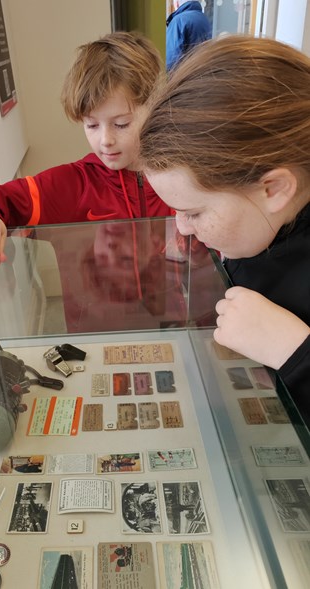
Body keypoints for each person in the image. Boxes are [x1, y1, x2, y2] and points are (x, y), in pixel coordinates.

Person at [139, 34, 310, 423]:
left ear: (274, 189)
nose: (182, 227)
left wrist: (292, 350)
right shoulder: (262, 226)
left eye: (194, 212)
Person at [0, 32, 172, 267]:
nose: (105, 140)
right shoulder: (75, 184)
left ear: (154, 109)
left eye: (121, 124)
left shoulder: (176, 176)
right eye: (91, 125)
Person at [166, 0, 211, 71]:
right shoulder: (204, 19)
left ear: (177, 3)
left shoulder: (178, 21)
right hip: (200, 73)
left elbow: (171, 60)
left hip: (183, 76)